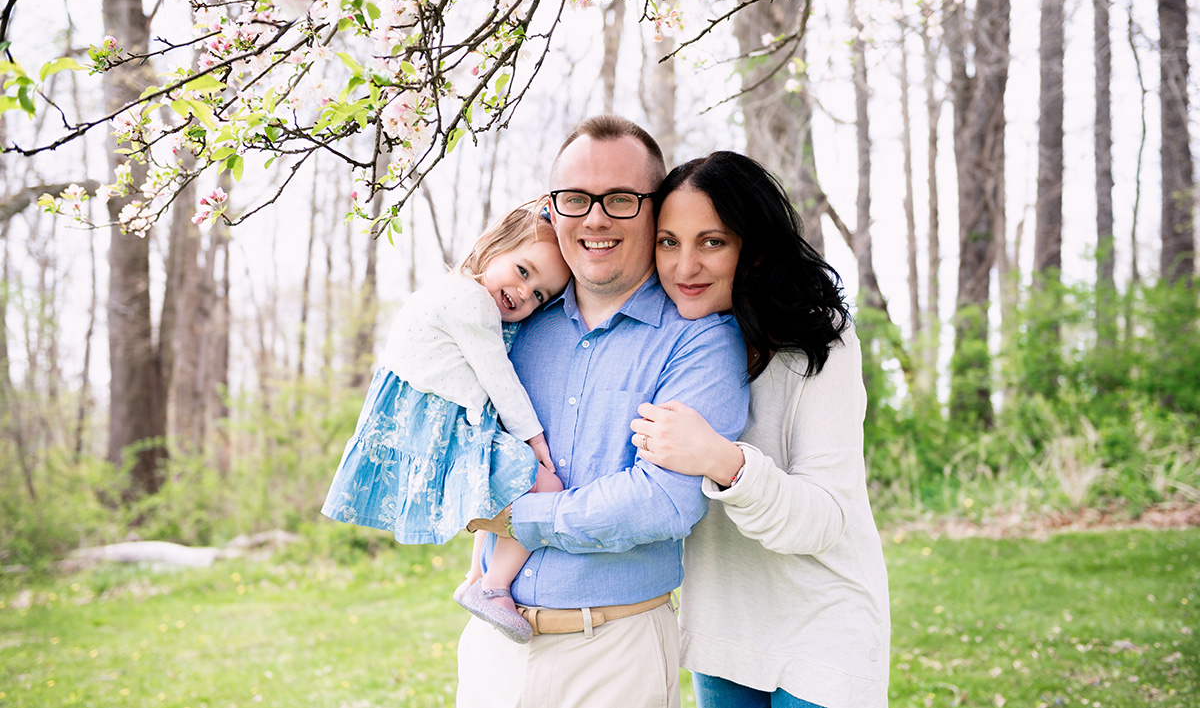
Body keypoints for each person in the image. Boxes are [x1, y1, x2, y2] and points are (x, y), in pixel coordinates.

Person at [457, 116, 750, 708]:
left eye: (620, 199)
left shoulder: (699, 339)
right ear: (552, 208)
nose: (595, 220)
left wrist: (518, 516)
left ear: (654, 210)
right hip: (493, 647)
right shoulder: (514, 320)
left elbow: (663, 501)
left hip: (614, 651)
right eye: (576, 199)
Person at [631, 151, 891, 708]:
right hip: (722, 631)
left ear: (755, 249)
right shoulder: (668, 338)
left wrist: (722, 461)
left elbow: (824, 519)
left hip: (824, 633)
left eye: (712, 242)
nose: (684, 267)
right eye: (669, 242)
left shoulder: (820, 342)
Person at [321, 200, 570, 643]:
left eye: (539, 295)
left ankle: (476, 576)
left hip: (426, 419)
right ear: (493, 246)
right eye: (523, 271)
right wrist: (535, 439)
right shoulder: (471, 302)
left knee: (496, 490)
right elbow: (499, 378)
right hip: (435, 426)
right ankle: (494, 587)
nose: (524, 293)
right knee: (545, 485)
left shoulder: (453, 293)